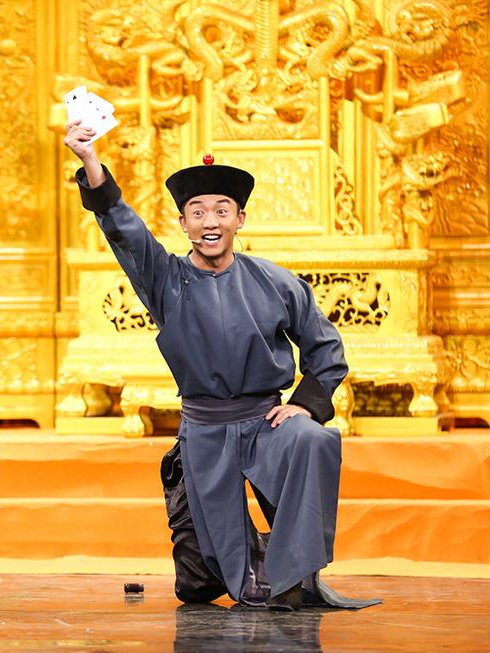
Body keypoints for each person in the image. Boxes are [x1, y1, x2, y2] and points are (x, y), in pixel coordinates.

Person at [64, 121, 379, 611]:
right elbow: (124, 229)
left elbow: (326, 350)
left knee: (313, 439)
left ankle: (294, 575)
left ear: (240, 219)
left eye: (221, 210)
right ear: (183, 224)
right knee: (202, 581)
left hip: (265, 423)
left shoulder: (276, 282)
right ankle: (245, 565)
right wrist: (90, 162)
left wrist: (304, 405)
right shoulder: (166, 280)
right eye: (197, 212)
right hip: (206, 432)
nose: (209, 221)